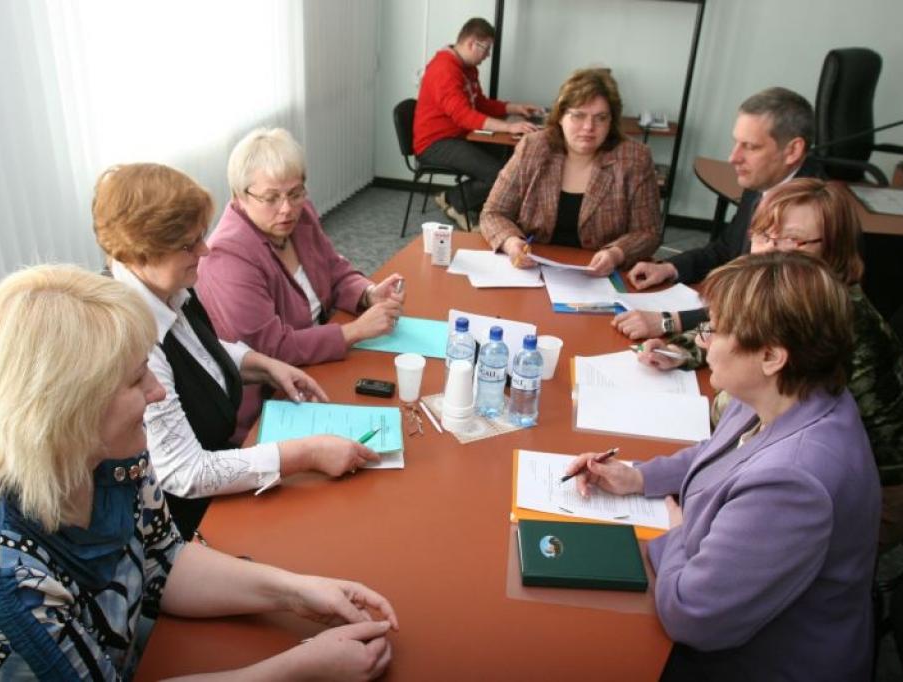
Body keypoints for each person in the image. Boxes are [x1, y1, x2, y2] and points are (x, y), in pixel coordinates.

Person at [0, 265, 397, 680]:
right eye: (138, 380)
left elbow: (163, 562)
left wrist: (298, 591)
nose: (157, 393)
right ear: (69, 413)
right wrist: (299, 670)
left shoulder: (109, 455)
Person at [570, 252, 879, 680]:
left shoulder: (794, 482)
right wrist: (640, 477)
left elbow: (693, 616)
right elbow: (716, 452)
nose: (702, 342)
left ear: (772, 356)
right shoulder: (786, 393)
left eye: (715, 331)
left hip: (762, 663)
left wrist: (675, 531)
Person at [94, 163, 381, 539]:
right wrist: (305, 454)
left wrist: (262, 365)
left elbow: (196, 351)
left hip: (220, 470)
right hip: (182, 521)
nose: (205, 249)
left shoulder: (165, 289)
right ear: (140, 253)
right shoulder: (134, 340)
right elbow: (185, 473)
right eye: (189, 243)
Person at [637, 178, 903, 551]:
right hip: (764, 457)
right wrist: (685, 348)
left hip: (864, 498)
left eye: (793, 241)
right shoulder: (783, 306)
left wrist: (686, 534)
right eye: (764, 235)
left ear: (835, 251)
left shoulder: (842, 325)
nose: (770, 251)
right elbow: (748, 328)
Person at [197, 127, 404, 441]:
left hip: (318, 364)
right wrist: (355, 331)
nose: (287, 208)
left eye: (295, 193)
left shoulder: (300, 215)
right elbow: (271, 348)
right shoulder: (228, 255)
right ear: (240, 196)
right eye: (271, 198)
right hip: (272, 400)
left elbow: (334, 270)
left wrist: (367, 293)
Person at [613, 86, 819, 339]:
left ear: (792, 151)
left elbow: (764, 319)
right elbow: (726, 249)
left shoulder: (812, 217)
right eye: (736, 143)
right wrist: (670, 268)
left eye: (750, 147)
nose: (734, 157)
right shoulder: (763, 182)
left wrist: (670, 323)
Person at [479, 68, 661, 276]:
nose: (588, 127)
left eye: (600, 118)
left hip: (600, 277)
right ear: (560, 116)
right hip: (531, 271)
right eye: (578, 116)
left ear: (611, 122)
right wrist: (511, 242)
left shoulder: (634, 158)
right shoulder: (533, 148)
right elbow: (493, 213)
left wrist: (617, 253)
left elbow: (648, 232)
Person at [413, 17, 543, 229]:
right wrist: (509, 127)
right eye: (487, 48)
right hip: (435, 144)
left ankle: (477, 204)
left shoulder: (467, 68)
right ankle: (455, 201)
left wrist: (514, 108)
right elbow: (464, 115)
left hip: (458, 136)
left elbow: (479, 103)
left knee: (508, 160)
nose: (488, 55)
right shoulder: (444, 70)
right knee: (497, 173)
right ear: (473, 43)